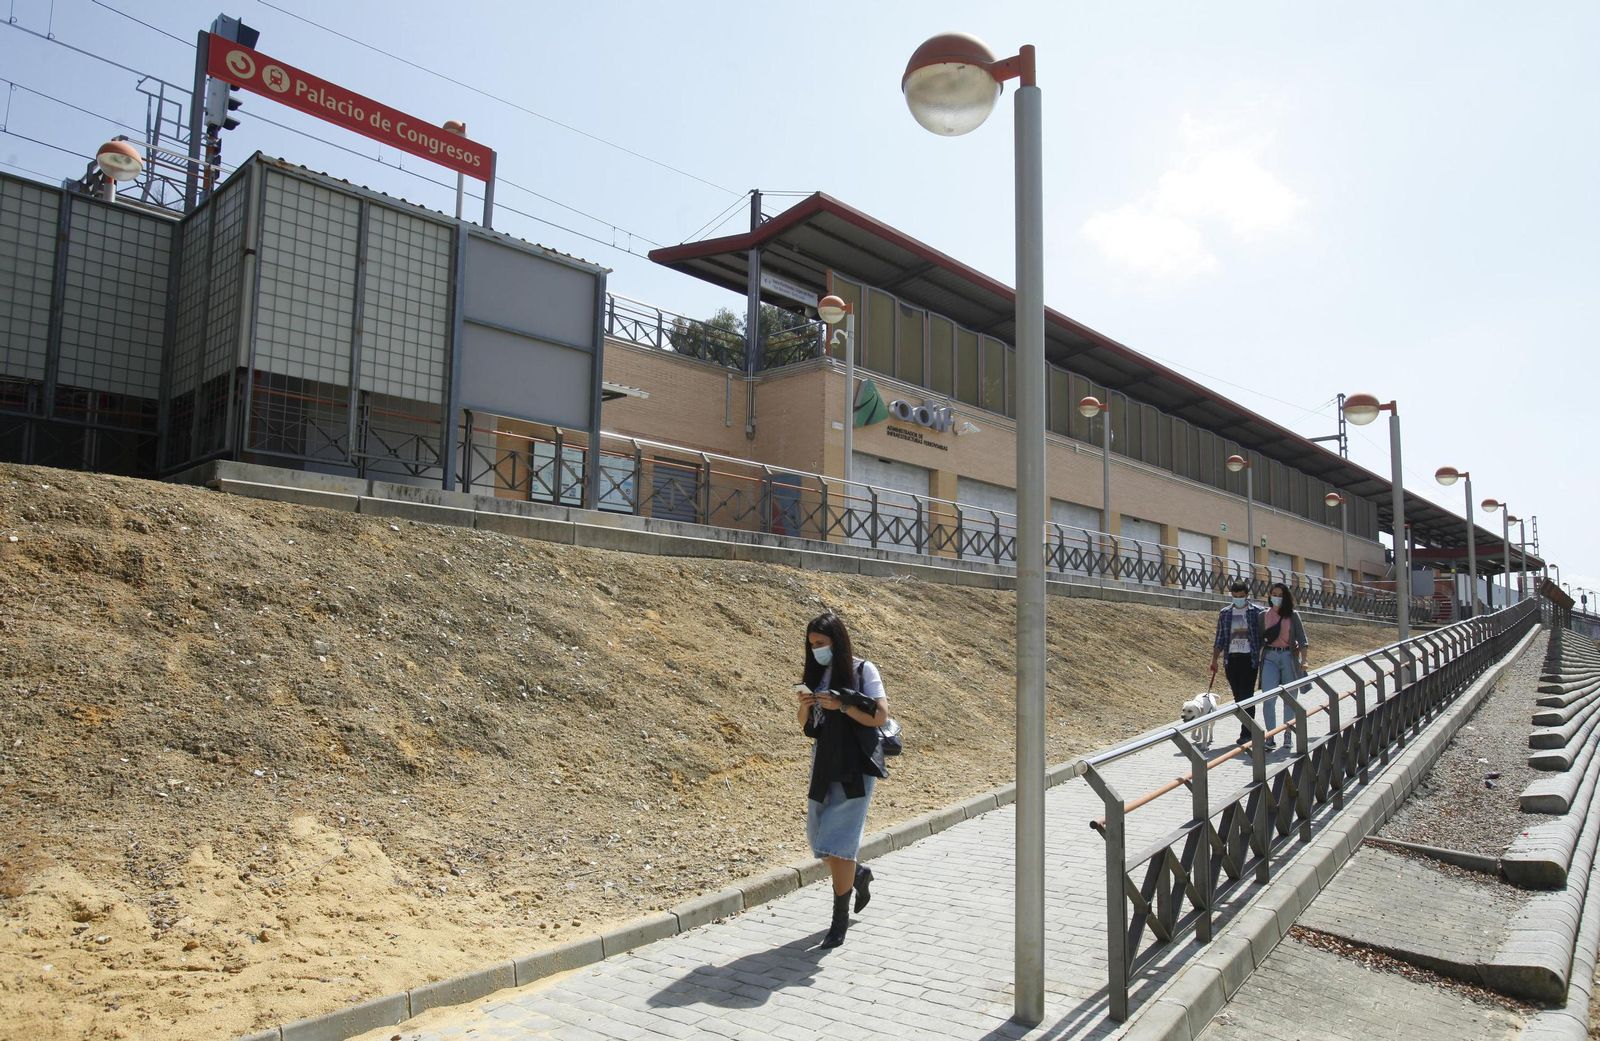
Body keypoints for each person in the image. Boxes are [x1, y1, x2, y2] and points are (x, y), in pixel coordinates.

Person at [794, 611, 889, 949]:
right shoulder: (817, 673)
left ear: (837, 640)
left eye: (821, 643)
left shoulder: (864, 670)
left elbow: (879, 716)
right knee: (820, 840)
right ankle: (857, 874)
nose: (816, 649)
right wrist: (805, 705)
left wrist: (842, 706)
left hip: (855, 767)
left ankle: (839, 921)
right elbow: (807, 725)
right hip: (824, 762)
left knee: (840, 842)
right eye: (812, 645)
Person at [1210, 579, 1265, 748]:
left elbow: (1262, 636)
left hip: (1249, 658)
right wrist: (1214, 659)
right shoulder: (1225, 613)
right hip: (1231, 659)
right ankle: (1247, 729)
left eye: (1241, 596)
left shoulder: (1257, 612)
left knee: (1247, 695)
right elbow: (1220, 637)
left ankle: (1247, 733)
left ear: (1246, 595)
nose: (1238, 599)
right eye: (1235, 596)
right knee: (1237, 697)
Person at [1259, 582, 1310, 747]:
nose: (1276, 598)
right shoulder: (1263, 615)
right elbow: (1259, 639)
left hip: (1288, 656)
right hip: (1270, 657)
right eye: (1274, 594)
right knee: (1268, 698)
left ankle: (1288, 734)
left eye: (1280, 595)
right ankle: (1270, 736)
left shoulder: (1293, 615)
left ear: (1286, 597)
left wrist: (1304, 660)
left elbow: (1302, 639)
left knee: (1289, 698)